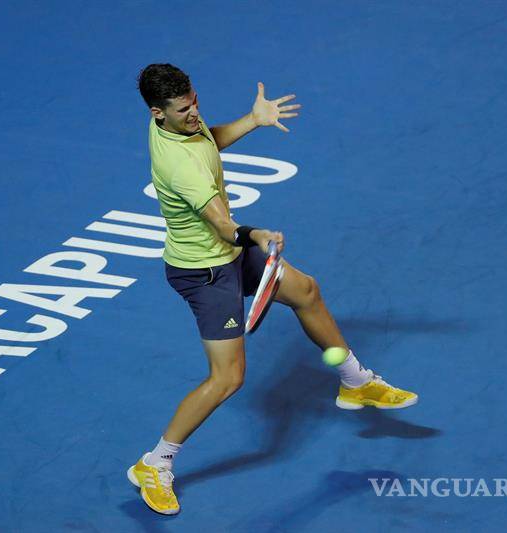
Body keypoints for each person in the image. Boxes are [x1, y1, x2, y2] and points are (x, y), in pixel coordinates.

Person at [127, 63, 418, 515]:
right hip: (205, 272)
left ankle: (355, 382)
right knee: (228, 379)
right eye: (185, 109)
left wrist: (251, 120)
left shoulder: (182, 124)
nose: (195, 112)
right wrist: (257, 233)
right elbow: (224, 227)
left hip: (227, 255)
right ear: (156, 113)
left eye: (195, 102)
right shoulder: (177, 164)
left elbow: (210, 141)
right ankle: (155, 463)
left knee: (306, 291)